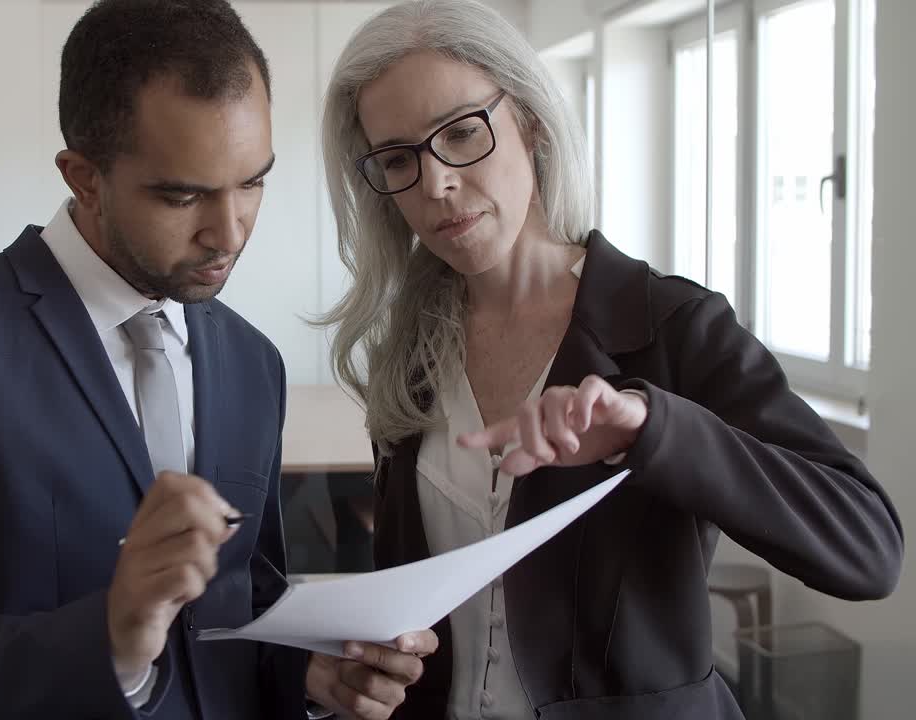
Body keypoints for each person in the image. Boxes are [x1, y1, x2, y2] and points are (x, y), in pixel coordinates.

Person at [0, 1, 435, 718]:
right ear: (83, 177)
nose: (230, 231)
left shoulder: (251, 362)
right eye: (184, 195)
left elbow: (242, 606)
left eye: (253, 181)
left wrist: (305, 671)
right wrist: (110, 641)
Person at [316, 1, 904, 718]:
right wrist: (362, 669)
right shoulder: (407, 359)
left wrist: (649, 432)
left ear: (530, 120)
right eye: (399, 159)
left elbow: (868, 548)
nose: (436, 183)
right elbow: (412, 612)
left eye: (463, 133)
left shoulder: (674, 327)